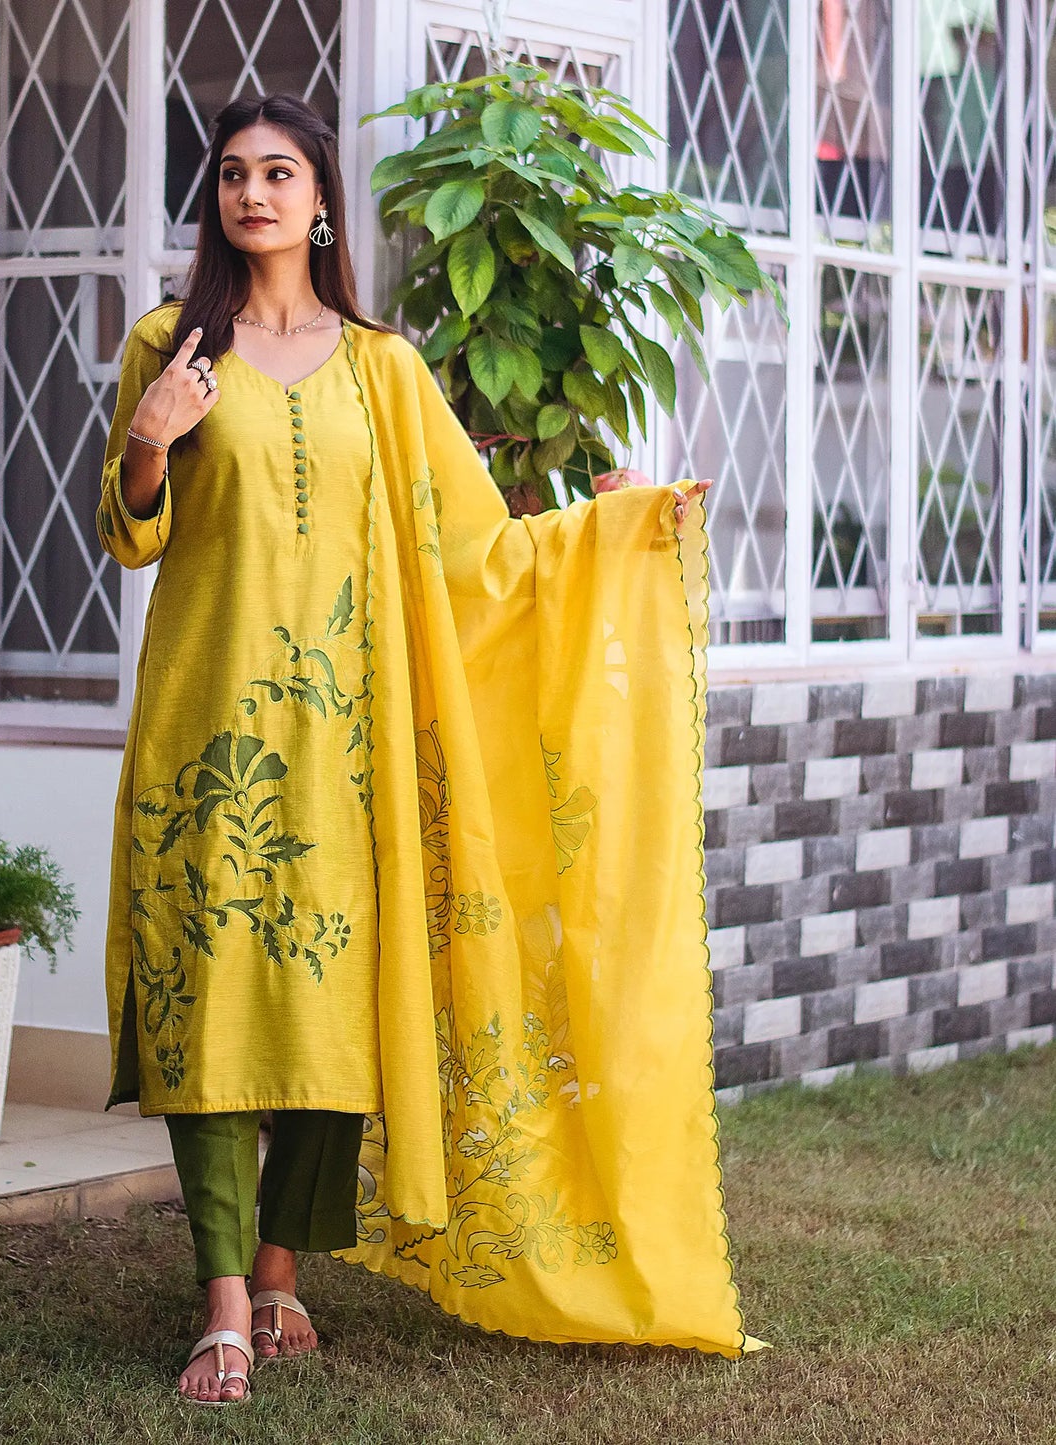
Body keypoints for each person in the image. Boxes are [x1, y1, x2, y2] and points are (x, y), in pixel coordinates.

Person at [95, 92, 748, 1408]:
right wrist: (151, 436)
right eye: (231, 175)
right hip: (206, 733)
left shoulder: (383, 370)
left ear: (319, 199)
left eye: (278, 172)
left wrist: (606, 528)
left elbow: (474, 545)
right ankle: (222, 1300)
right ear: (213, 201)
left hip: (348, 746)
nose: (253, 193)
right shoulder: (170, 346)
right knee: (210, 1018)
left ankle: (279, 1270)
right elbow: (130, 534)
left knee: (335, 1016)